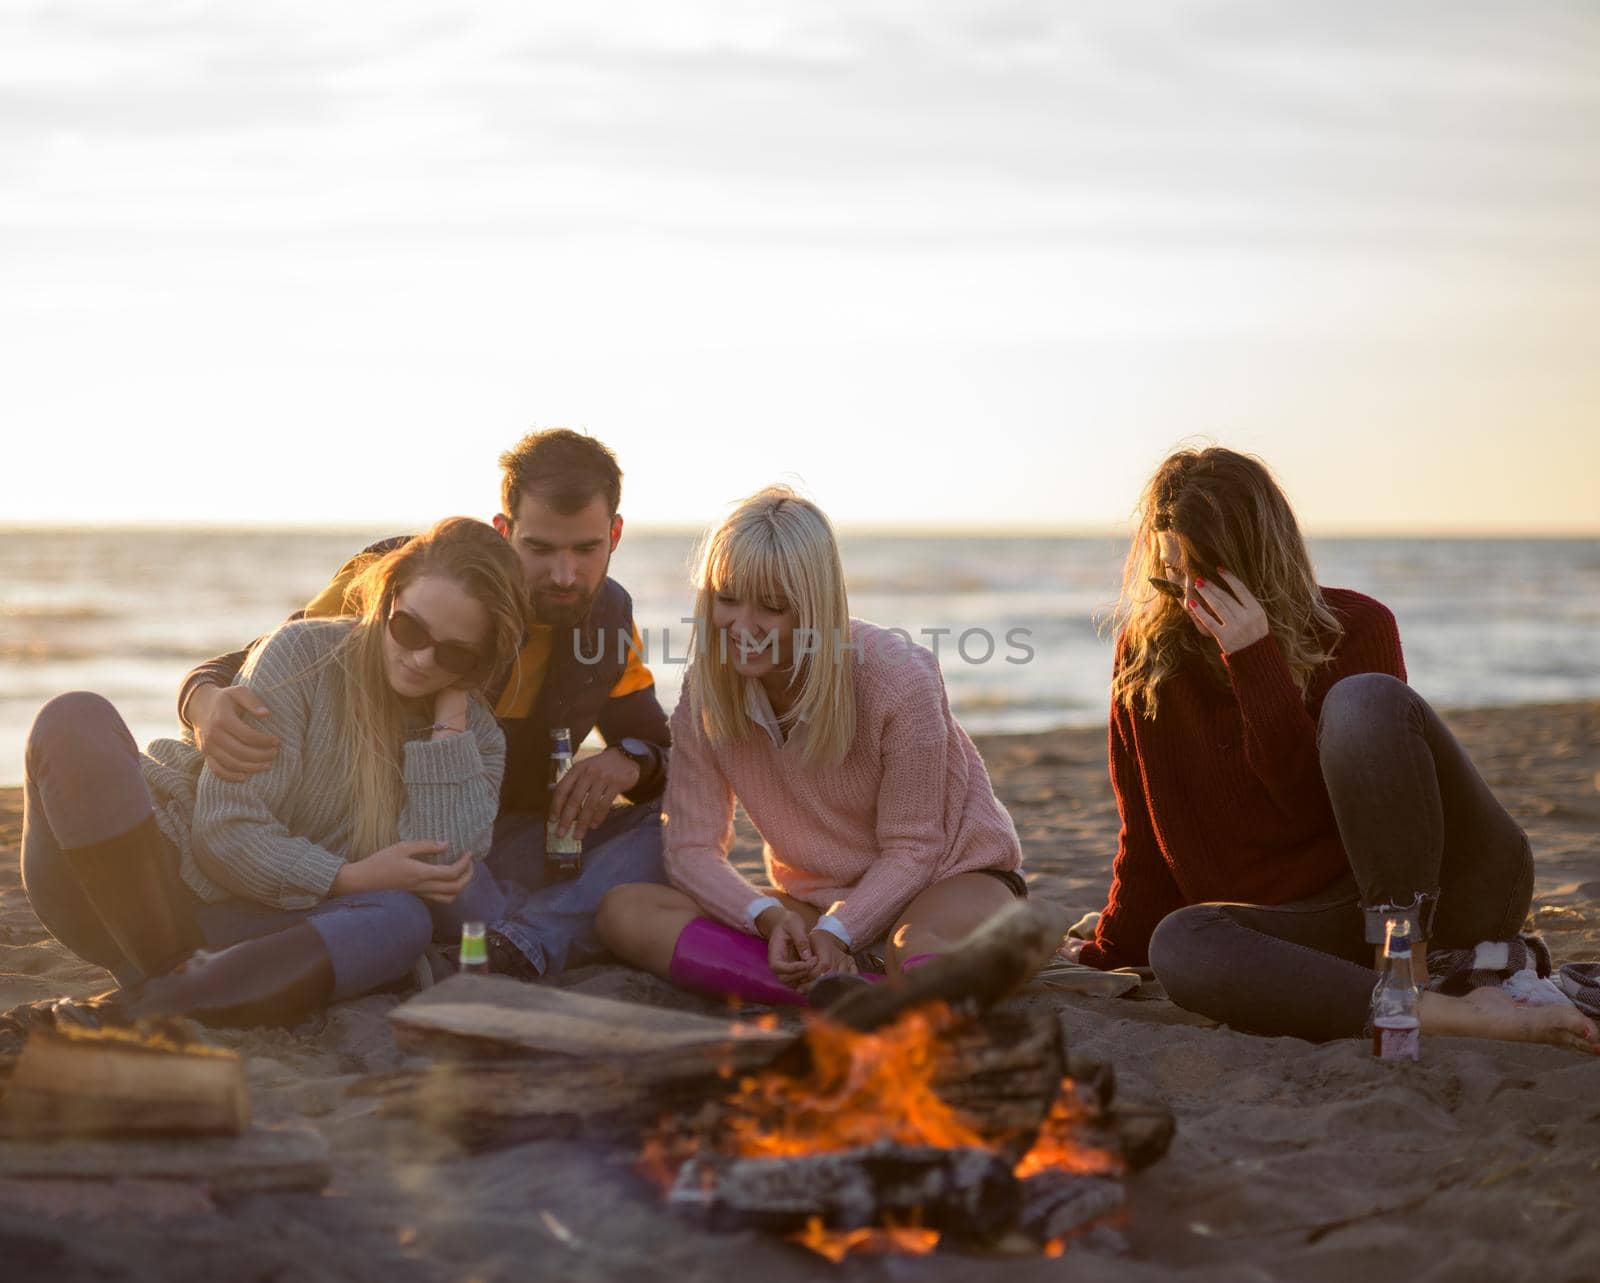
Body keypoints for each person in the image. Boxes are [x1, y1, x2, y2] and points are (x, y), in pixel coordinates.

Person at [1065, 446, 1597, 1052]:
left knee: (1365, 699)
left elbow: (1326, 811)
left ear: (1259, 563)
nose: (1190, 599)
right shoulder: (1147, 656)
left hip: (1445, 888)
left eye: (1207, 577)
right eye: (1171, 576)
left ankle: (1406, 968)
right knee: (1178, 942)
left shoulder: (1359, 626)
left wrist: (1254, 661)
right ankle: (1451, 1014)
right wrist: (1109, 948)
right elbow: (1145, 834)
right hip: (1308, 929)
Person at [178, 430, 672, 979]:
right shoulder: (409, 576)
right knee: (456, 880)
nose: (564, 575)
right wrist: (200, 701)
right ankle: (521, 928)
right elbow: (267, 659)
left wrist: (628, 758)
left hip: (510, 835)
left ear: (615, 534)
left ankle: (521, 938)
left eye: (586, 549)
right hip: (393, 835)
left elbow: (661, 751)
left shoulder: (608, 621)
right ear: (504, 530)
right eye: (539, 548)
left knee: (671, 827)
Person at [19, 517, 525, 1027]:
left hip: (243, 931)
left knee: (402, 920)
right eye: (409, 628)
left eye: (454, 653)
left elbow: (441, 864)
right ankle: (175, 980)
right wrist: (346, 878)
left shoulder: (475, 740)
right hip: (134, 878)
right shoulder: (302, 655)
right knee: (73, 717)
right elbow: (223, 835)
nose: (420, 658)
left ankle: (144, 1005)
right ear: (388, 598)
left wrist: (451, 719)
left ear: (481, 659)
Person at [596, 486, 1026, 1006]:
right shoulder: (704, 692)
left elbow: (915, 849)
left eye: (772, 607)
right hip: (817, 901)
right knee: (627, 913)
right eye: (727, 599)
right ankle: (847, 994)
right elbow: (691, 850)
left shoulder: (898, 677)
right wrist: (769, 917)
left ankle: (905, 990)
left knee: (911, 944)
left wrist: (837, 934)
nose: (742, 627)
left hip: (950, 878)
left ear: (814, 608)